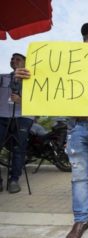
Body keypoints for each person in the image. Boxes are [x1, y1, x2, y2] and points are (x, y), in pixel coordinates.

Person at [15, 23, 88, 238]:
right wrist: (27, 79)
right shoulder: (68, 66)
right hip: (77, 128)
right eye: (86, 38)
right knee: (78, 178)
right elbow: (45, 86)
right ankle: (81, 221)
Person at [0, 53, 33, 194]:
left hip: (23, 118)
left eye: (18, 59)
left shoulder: (32, 79)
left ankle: (14, 180)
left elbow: (38, 101)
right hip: (2, 117)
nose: (14, 61)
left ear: (26, 63)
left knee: (19, 150)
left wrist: (22, 100)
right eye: (12, 58)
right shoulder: (3, 78)